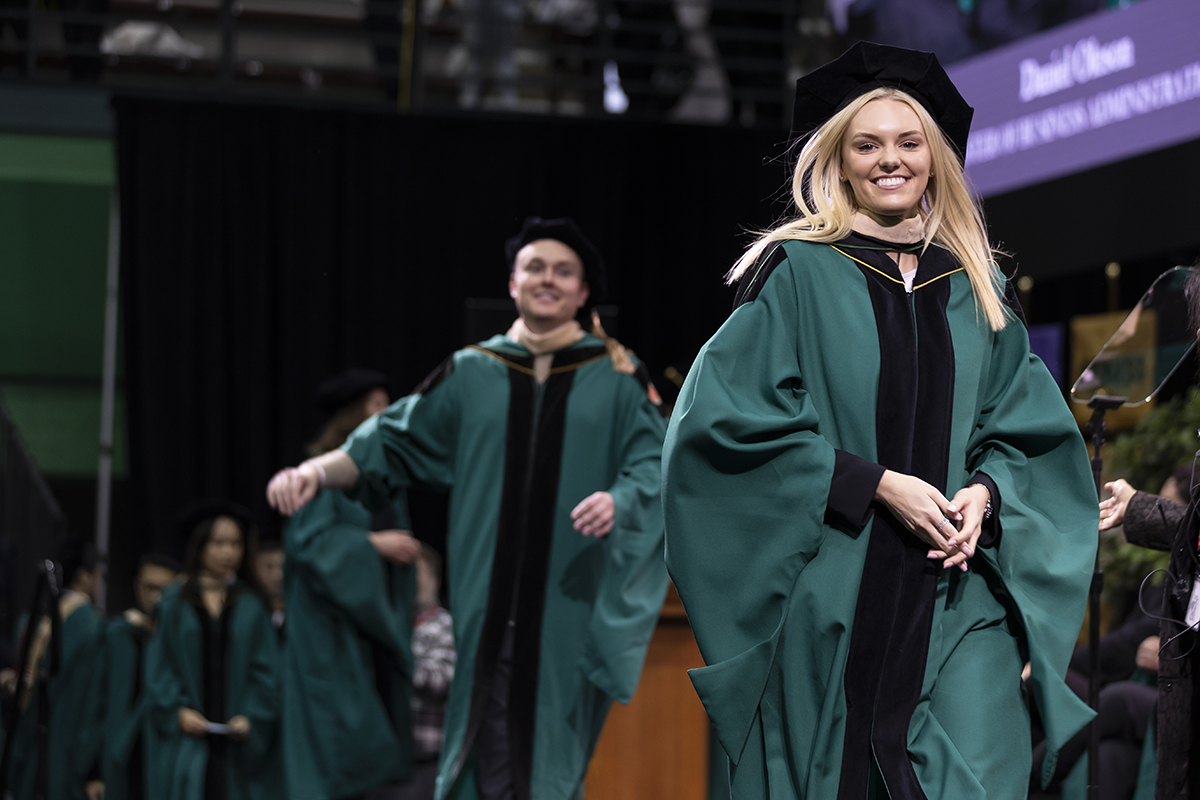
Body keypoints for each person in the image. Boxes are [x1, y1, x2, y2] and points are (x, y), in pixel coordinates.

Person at [661, 41, 1098, 799]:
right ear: (838, 158)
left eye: (909, 142)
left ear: (936, 158)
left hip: (958, 597)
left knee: (975, 776)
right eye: (867, 144)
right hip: (835, 587)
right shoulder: (795, 270)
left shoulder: (980, 284)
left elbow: (1027, 431)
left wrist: (987, 496)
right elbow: (722, 426)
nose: (889, 159)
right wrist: (876, 484)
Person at [268, 216, 669, 800]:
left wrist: (621, 497)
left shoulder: (616, 374)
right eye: (535, 268)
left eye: (564, 271)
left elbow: (655, 462)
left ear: (583, 293)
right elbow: (387, 439)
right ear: (513, 282)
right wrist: (312, 472)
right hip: (487, 601)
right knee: (493, 738)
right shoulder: (474, 370)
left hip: (567, 600)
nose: (548, 280)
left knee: (549, 744)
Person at [282, 367, 419, 800]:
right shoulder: (319, 476)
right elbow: (310, 545)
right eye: (376, 405)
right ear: (352, 415)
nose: (387, 413)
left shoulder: (385, 477)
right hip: (333, 633)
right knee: (339, 752)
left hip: (376, 626)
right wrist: (371, 545)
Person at [145, 502, 282, 800]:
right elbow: (161, 666)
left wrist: (251, 715)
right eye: (218, 543)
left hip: (239, 748)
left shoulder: (252, 605)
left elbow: (267, 672)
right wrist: (177, 711)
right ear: (201, 545)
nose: (228, 552)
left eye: (235, 543)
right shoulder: (174, 603)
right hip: (188, 743)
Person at [7, 539, 108, 800]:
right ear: (85, 576)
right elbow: (93, 700)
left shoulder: (32, 619)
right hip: (66, 744)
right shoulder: (91, 625)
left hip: (24, 740)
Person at [101, 553, 182, 800]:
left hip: (167, 749)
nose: (156, 597)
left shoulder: (182, 640)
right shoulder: (120, 634)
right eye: (149, 587)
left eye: (164, 589)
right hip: (125, 753)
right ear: (137, 586)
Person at [398, 545, 456, 800]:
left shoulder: (444, 625)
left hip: (428, 759)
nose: (411, 581)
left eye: (418, 574)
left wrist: (399, 665)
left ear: (435, 580)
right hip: (395, 760)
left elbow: (441, 679)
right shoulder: (396, 625)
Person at [254, 541, 285, 634]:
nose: (278, 575)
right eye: (269, 567)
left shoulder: (300, 611)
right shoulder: (250, 609)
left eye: (283, 567)